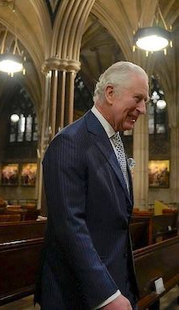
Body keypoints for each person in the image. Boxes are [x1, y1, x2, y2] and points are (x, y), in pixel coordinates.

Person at [35, 61, 149, 309]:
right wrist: (106, 295)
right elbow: (70, 226)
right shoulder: (70, 142)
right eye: (138, 98)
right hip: (79, 294)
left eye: (146, 102)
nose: (142, 109)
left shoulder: (113, 139)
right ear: (110, 93)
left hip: (114, 281)